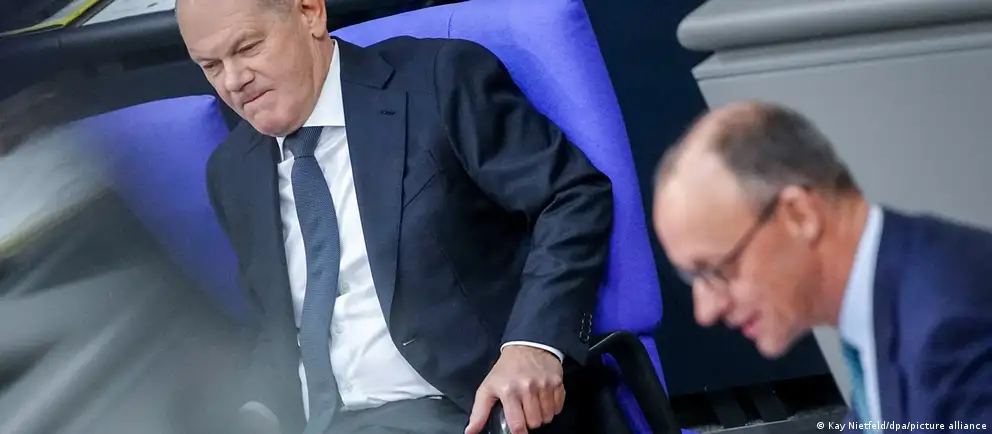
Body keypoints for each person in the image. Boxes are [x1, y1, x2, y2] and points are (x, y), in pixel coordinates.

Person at [175, 0, 614, 433]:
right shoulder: (233, 171)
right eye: (210, 66)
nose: (233, 80)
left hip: (465, 411)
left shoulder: (437, 82)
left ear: (309, 13)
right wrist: (255, 411)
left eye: (248, 48)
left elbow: (570, 197)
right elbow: (276, 330)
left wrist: (533, 344)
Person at [651, 101, 992, 430]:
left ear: (799, 215)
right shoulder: (887, 298)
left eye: (715, 270)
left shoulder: (951, 327)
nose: (706, 311)